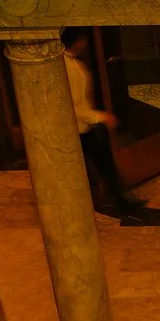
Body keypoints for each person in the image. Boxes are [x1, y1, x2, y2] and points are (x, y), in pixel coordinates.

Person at [62, 26, 138, 214]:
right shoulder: (69, 68)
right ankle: (119, 203)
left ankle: (118, 201)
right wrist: (102, 117)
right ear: (78, 41)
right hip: (80, 128)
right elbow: (76, 106)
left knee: (101, 165)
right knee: (103, 165)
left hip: (82, 127)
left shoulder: (69, 63)